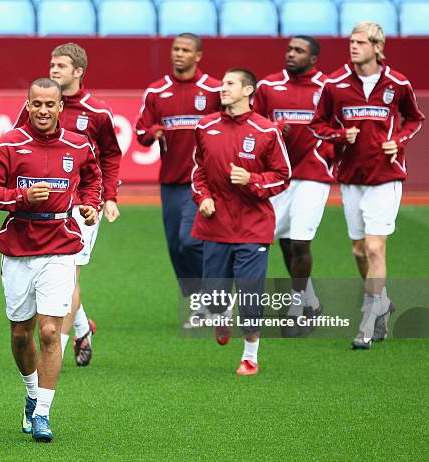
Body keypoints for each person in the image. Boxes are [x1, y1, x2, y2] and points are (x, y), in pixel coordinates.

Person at [0, 78, 101, 442]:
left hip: (61, 246)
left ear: (61, 106)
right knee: (21, 335)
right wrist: (22, 196)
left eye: (50, 104)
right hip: (18, 247)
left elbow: (93, 181)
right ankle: (31, 395)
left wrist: (90, 206)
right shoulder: (9, 143)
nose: (43, 110)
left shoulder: (78, 145)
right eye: (37, 104)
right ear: (28, 105)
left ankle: (44, 413)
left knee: (49, 331)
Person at [310, 22, 424, 349]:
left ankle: (369, 319)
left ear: (377, 46)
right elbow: (318, 124)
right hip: (350, 176)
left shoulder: (397, 83)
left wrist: (398, 141)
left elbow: (414, 119)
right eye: (352, 41)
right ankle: (381, 300)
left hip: (386, 176)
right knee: (359, 250)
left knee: (375, 247)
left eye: (361, 42)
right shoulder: (334, 84)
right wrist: (339, 135)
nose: (354, 46)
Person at [13, 43, 122, 366]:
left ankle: (56, 345)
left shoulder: (98, 112)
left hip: (82, 205)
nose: (53, 70)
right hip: (43, 203)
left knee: (68, 273)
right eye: (51, 64)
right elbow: (19, 144)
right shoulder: (35, 106)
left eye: (61, 65)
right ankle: (82, 327)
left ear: (78, 71)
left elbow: (111, 156)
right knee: (57, 271)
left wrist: (109, 196)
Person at [191, 69, 291, 375]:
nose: (223, 89)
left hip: (253, 227)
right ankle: (221, 314)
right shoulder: (205, 126)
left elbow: (283, 175)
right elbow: (198, 172)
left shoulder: (267, 131)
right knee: (214, 297)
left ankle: (250, 356)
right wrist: (203, 198)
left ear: (248, 90)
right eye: (222, 84)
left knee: (250, 294)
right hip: (215, 225)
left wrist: (252, 180)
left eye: (230, 84)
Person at [253, 36, 334, 337]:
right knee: (284, 242)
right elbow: (254, 123)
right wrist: (272, 130)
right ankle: (311, 301)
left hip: (312, 174)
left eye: (299, 51)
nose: (291, 54)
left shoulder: (328, 87)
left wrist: (328, 154)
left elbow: (337, 126)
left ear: (313, 59)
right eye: (289, 49)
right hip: (278, 174)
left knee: (300, 242)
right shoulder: (268, 87)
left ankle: (297, 309)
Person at [135, 33, 221, 314]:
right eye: (175, 49)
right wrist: (152, 133)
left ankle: (213, 296)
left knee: (189, 240)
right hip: (171, 180)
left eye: (185, 50)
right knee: (175, 246)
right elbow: (140, 131)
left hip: (204, 181)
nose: (178, 54)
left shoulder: (214, 90)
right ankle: (197, 300)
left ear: (198, 56)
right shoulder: (157, 91)